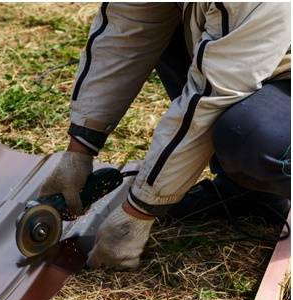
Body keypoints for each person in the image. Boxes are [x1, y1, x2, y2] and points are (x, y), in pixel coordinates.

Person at [39, 2, 291, 269]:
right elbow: (127, 31)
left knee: (252, 138)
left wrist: (138, 212)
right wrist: (79, 151)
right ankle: (248, 193)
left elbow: (212, 97)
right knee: (165, 24)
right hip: (252, 54)